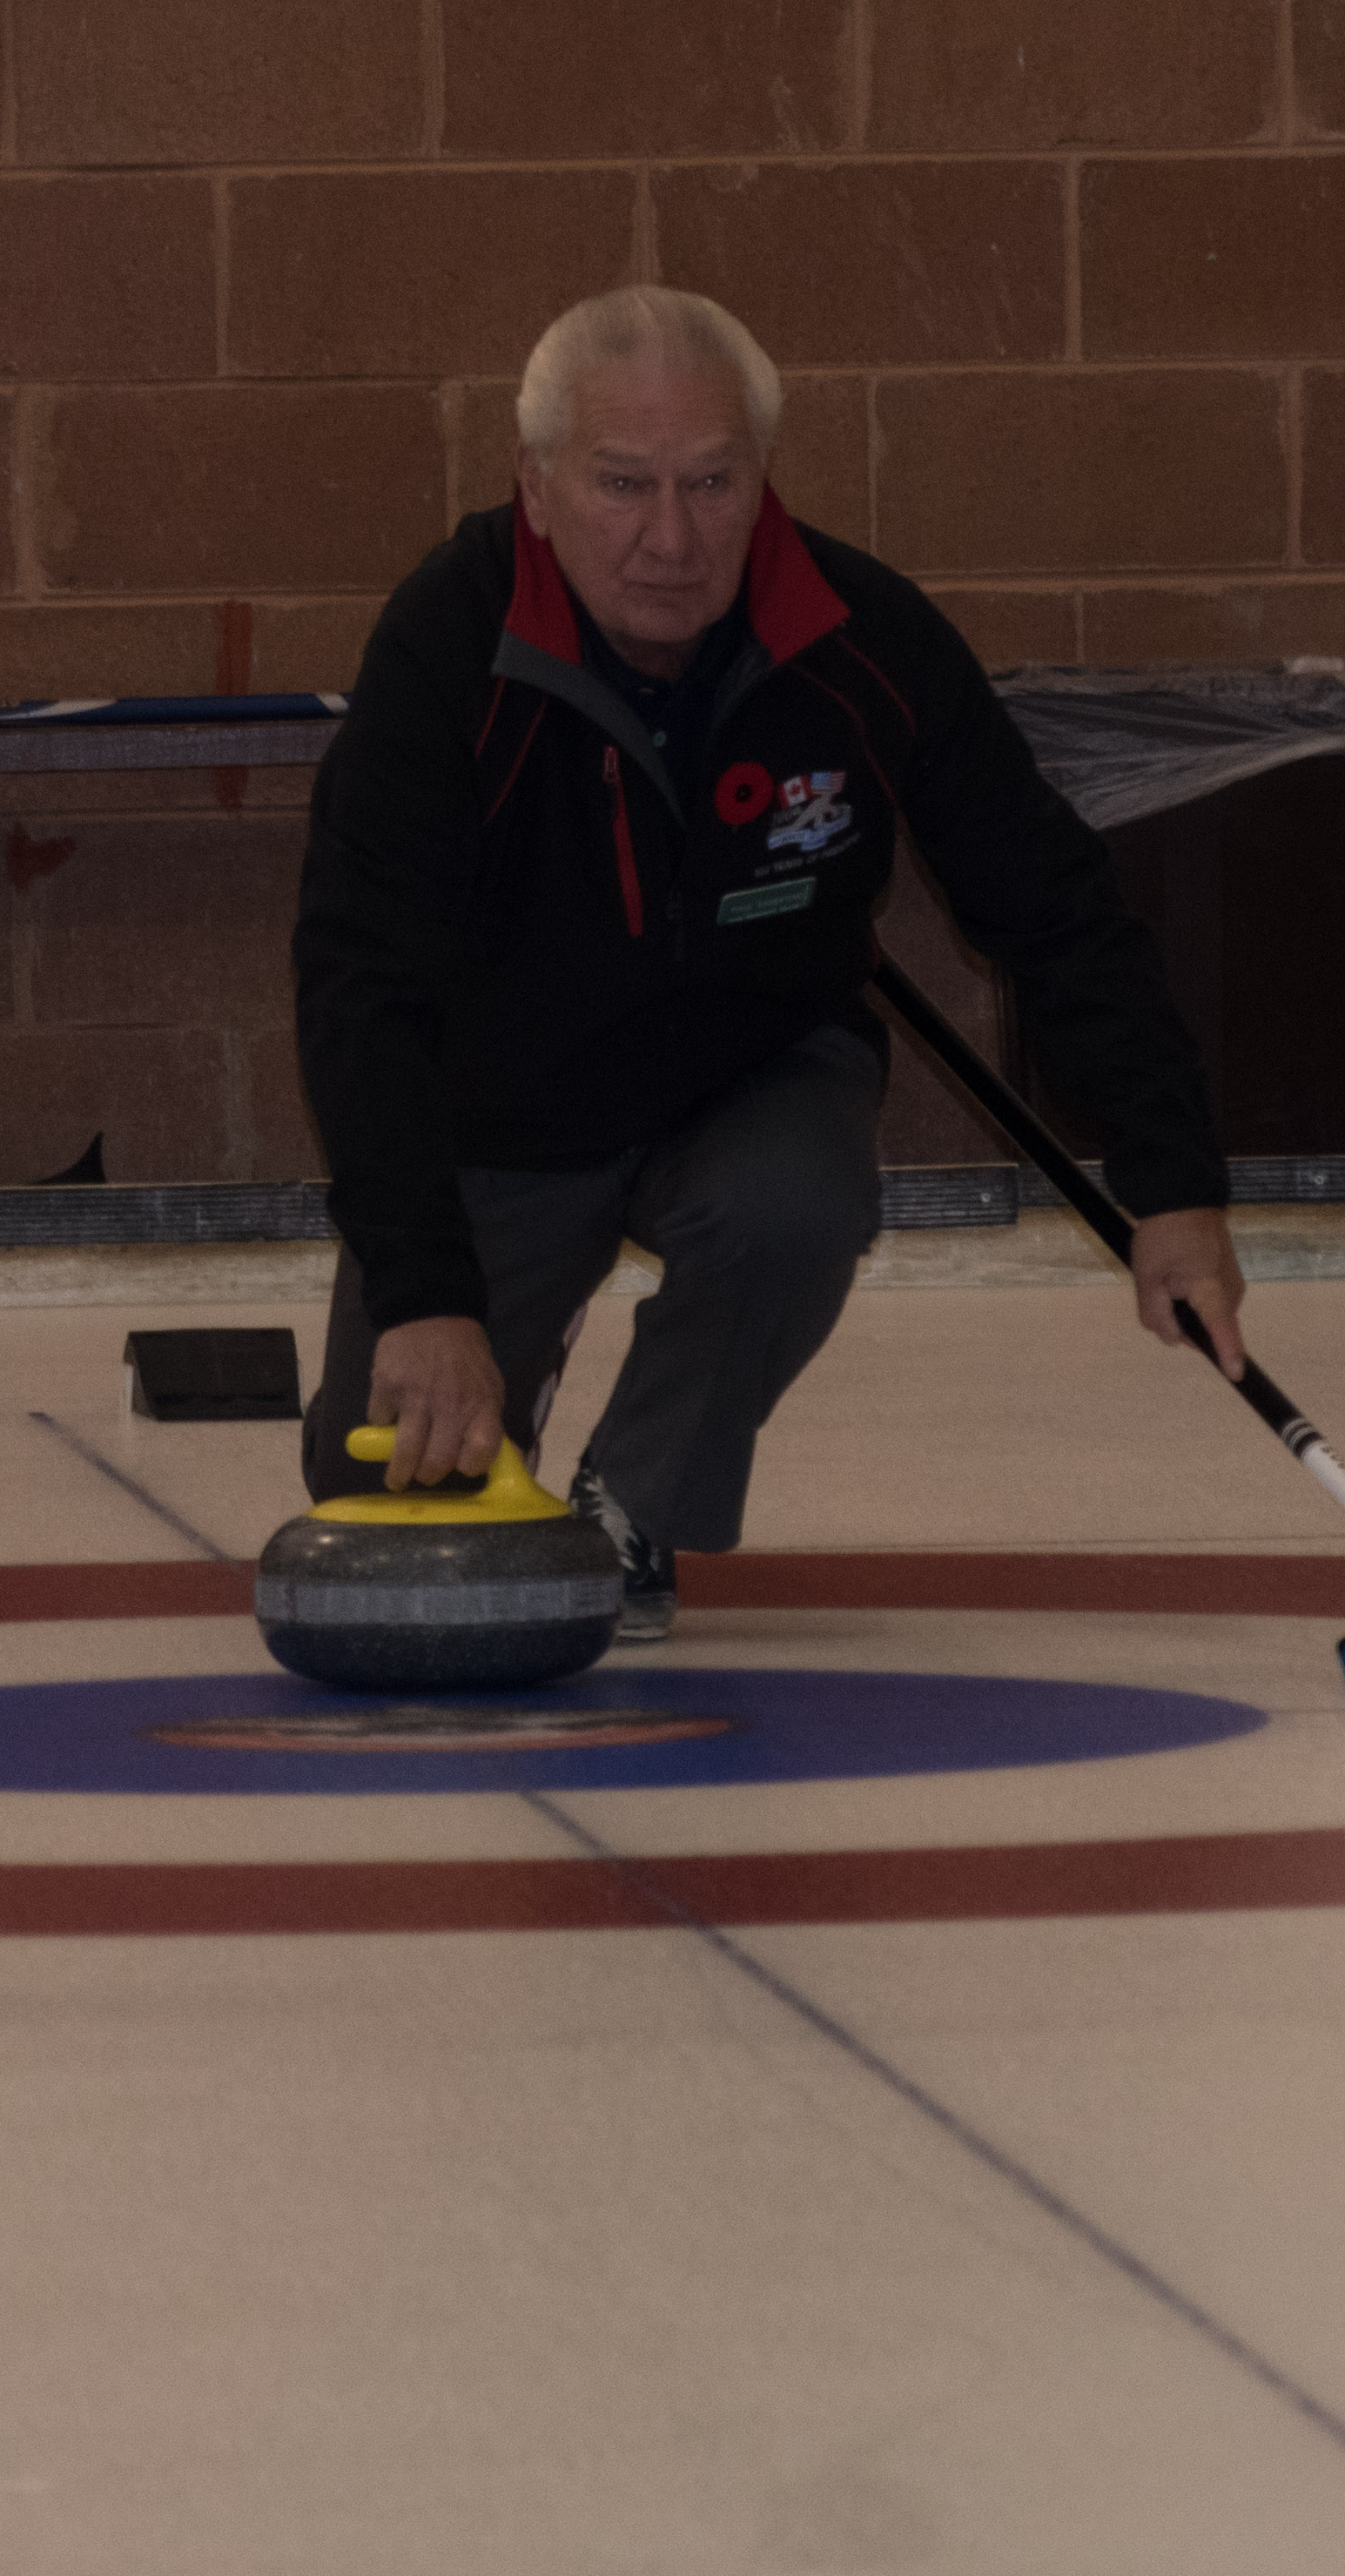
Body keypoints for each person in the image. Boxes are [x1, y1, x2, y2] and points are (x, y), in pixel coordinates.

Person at [291, 286, 1243, 1639]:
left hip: (752, 1074)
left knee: (795, 1202)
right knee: (382, 1494)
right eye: (623, 483)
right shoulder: (450, 646)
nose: (672, 539)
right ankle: (509, 1344)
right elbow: (358, 983)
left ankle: (636, 1502)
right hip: (503, 1109)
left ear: (762, 478)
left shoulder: (863, 639)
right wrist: (425, 1296)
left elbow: (1052, 902)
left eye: (712, 482)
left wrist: (1172, 1180)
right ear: (538, 488)